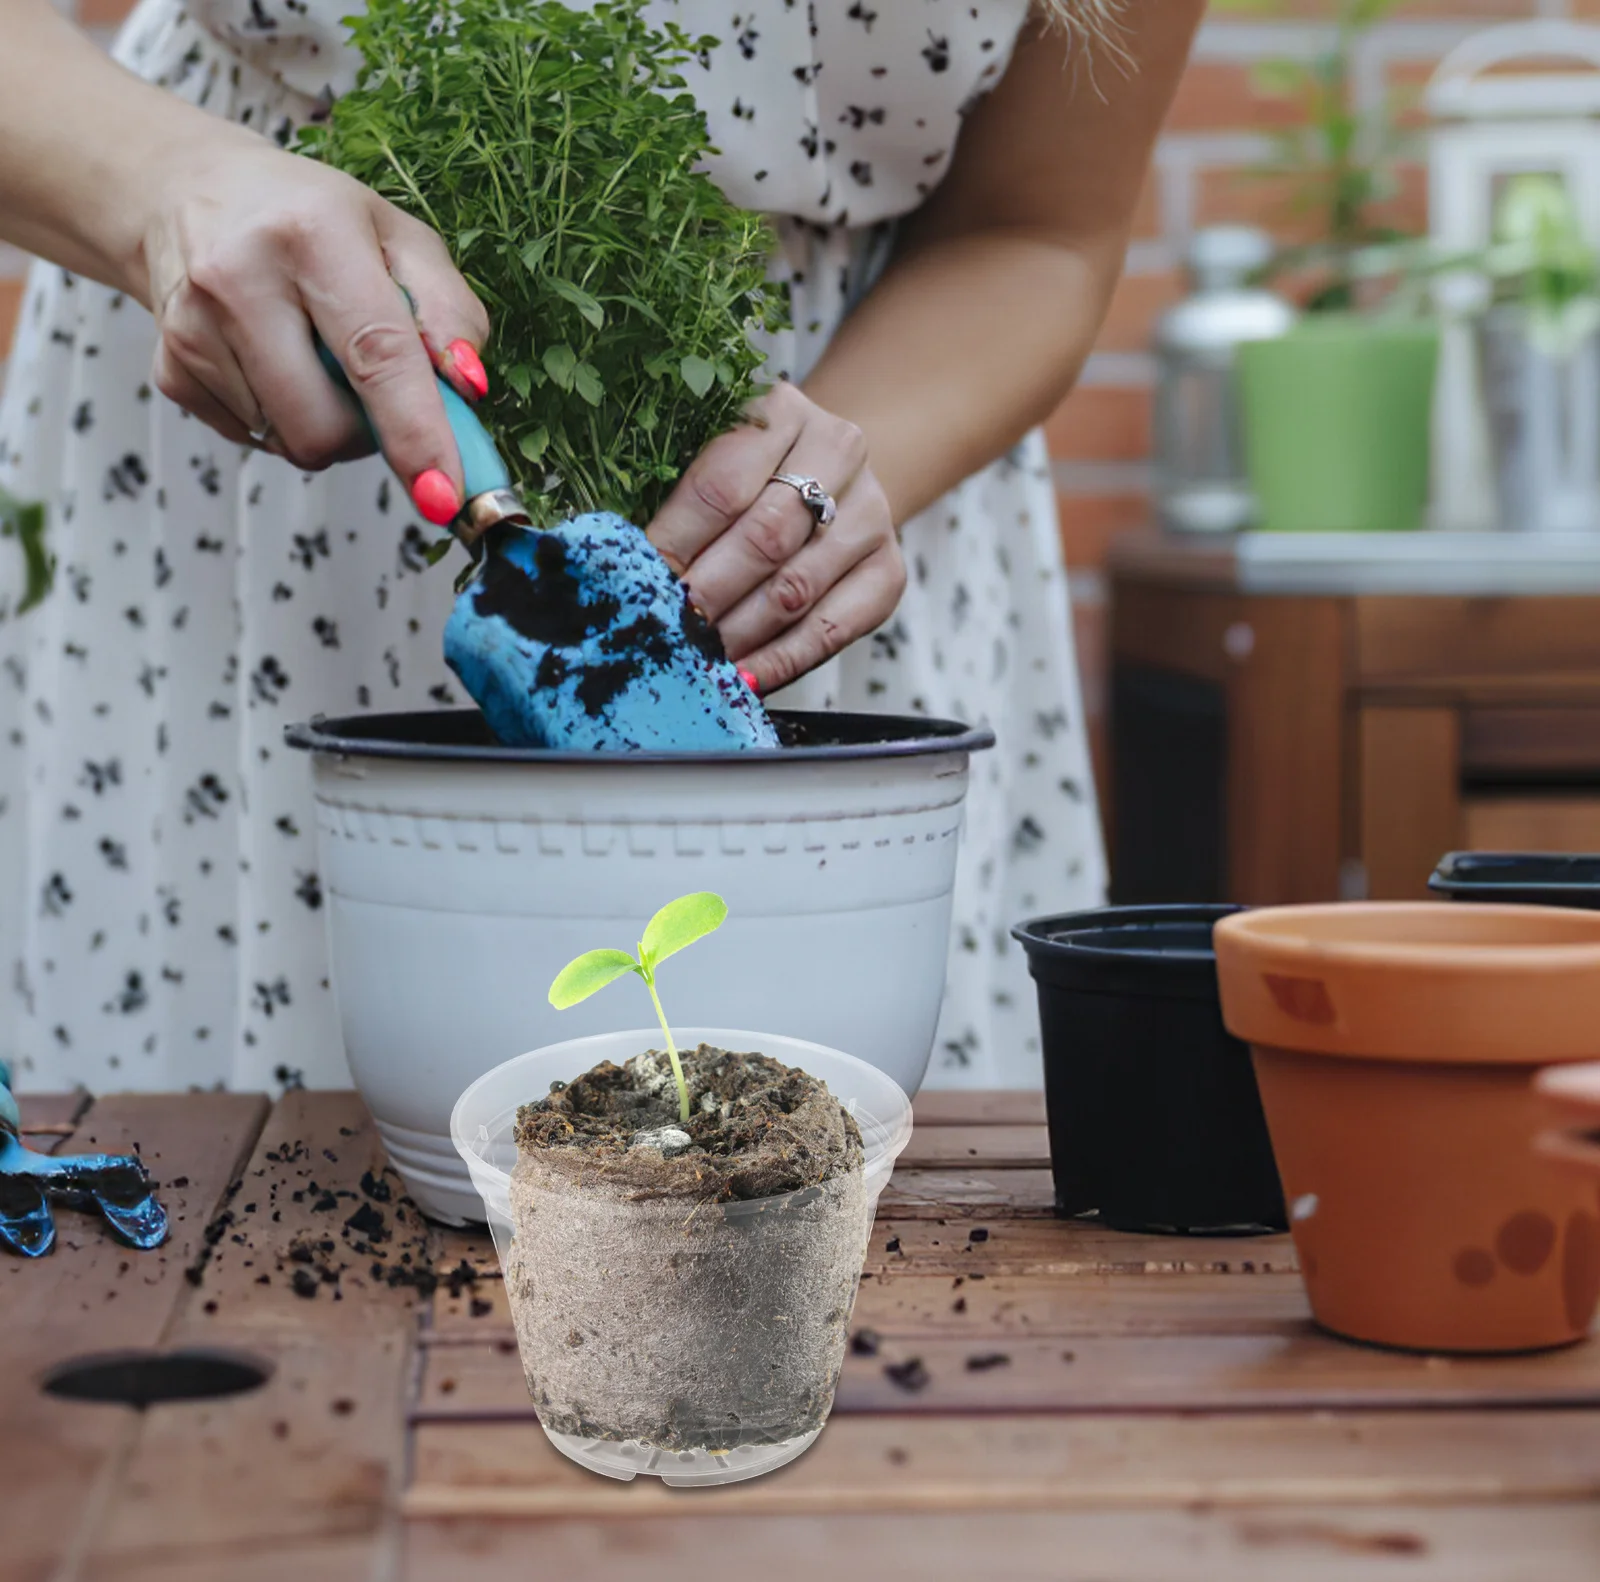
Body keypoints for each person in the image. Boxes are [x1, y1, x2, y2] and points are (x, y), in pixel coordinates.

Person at [0, 0, 1203, 1095]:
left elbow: (1038, 227)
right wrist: (168, 187)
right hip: (237, 446)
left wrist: (821, 487)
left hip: (820, 518)